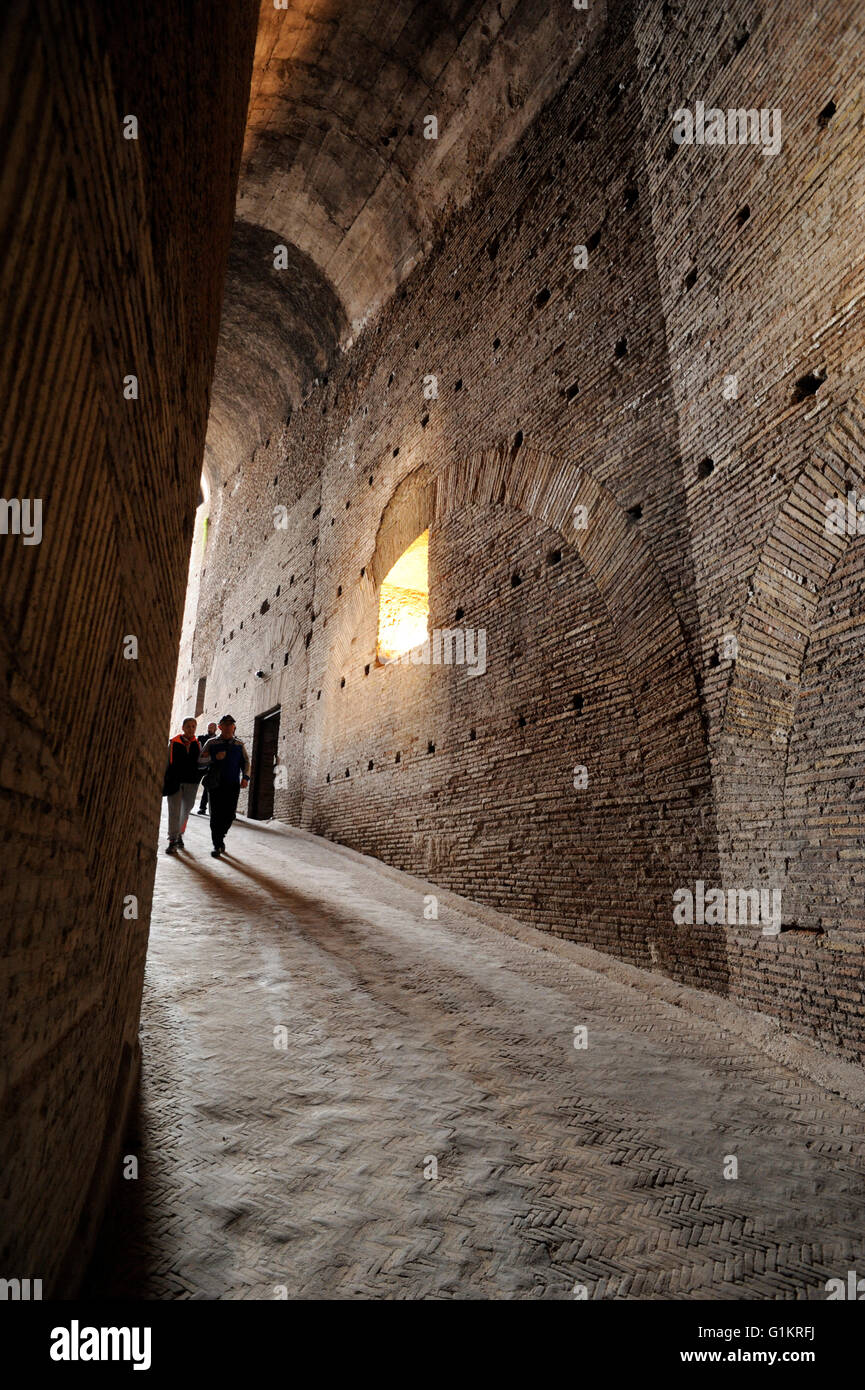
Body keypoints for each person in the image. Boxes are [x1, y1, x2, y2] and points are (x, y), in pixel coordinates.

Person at [199, 714, 250, 859]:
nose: (228, 727)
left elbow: (246, 762)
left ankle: (221, 835)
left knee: (229, 815)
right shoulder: (211, 743)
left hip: (232, 784)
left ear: (234, 727)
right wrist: (214, 758)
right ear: (220, 727)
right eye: (225, 725)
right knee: (215, 815)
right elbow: (201, 761)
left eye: (230, 725)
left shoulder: (239, 745)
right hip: (215, 784)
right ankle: (217, 844)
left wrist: (246, 777)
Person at [162, 717, 202, 854]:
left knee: (185, 811)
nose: (191, 729)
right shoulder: (173, 743)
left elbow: (200, 763)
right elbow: (166, 761)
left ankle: (179, 834)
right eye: (188, 726)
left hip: (191, 783)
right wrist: (164, 779)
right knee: (174, 811)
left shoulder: (198, 744)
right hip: (175, 781)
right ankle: (172, 840)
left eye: (193, 726)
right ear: (183, 728)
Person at [196, 722, 218, 814]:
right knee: (194, 785)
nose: (210, 729)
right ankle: (188, 804)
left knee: (207, 787)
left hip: (211, 766)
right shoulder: (201, 738)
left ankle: (202, 808)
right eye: (209, 727)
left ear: (216, 729)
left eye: (212, 727)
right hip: (200, 765)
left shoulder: (218, 740)